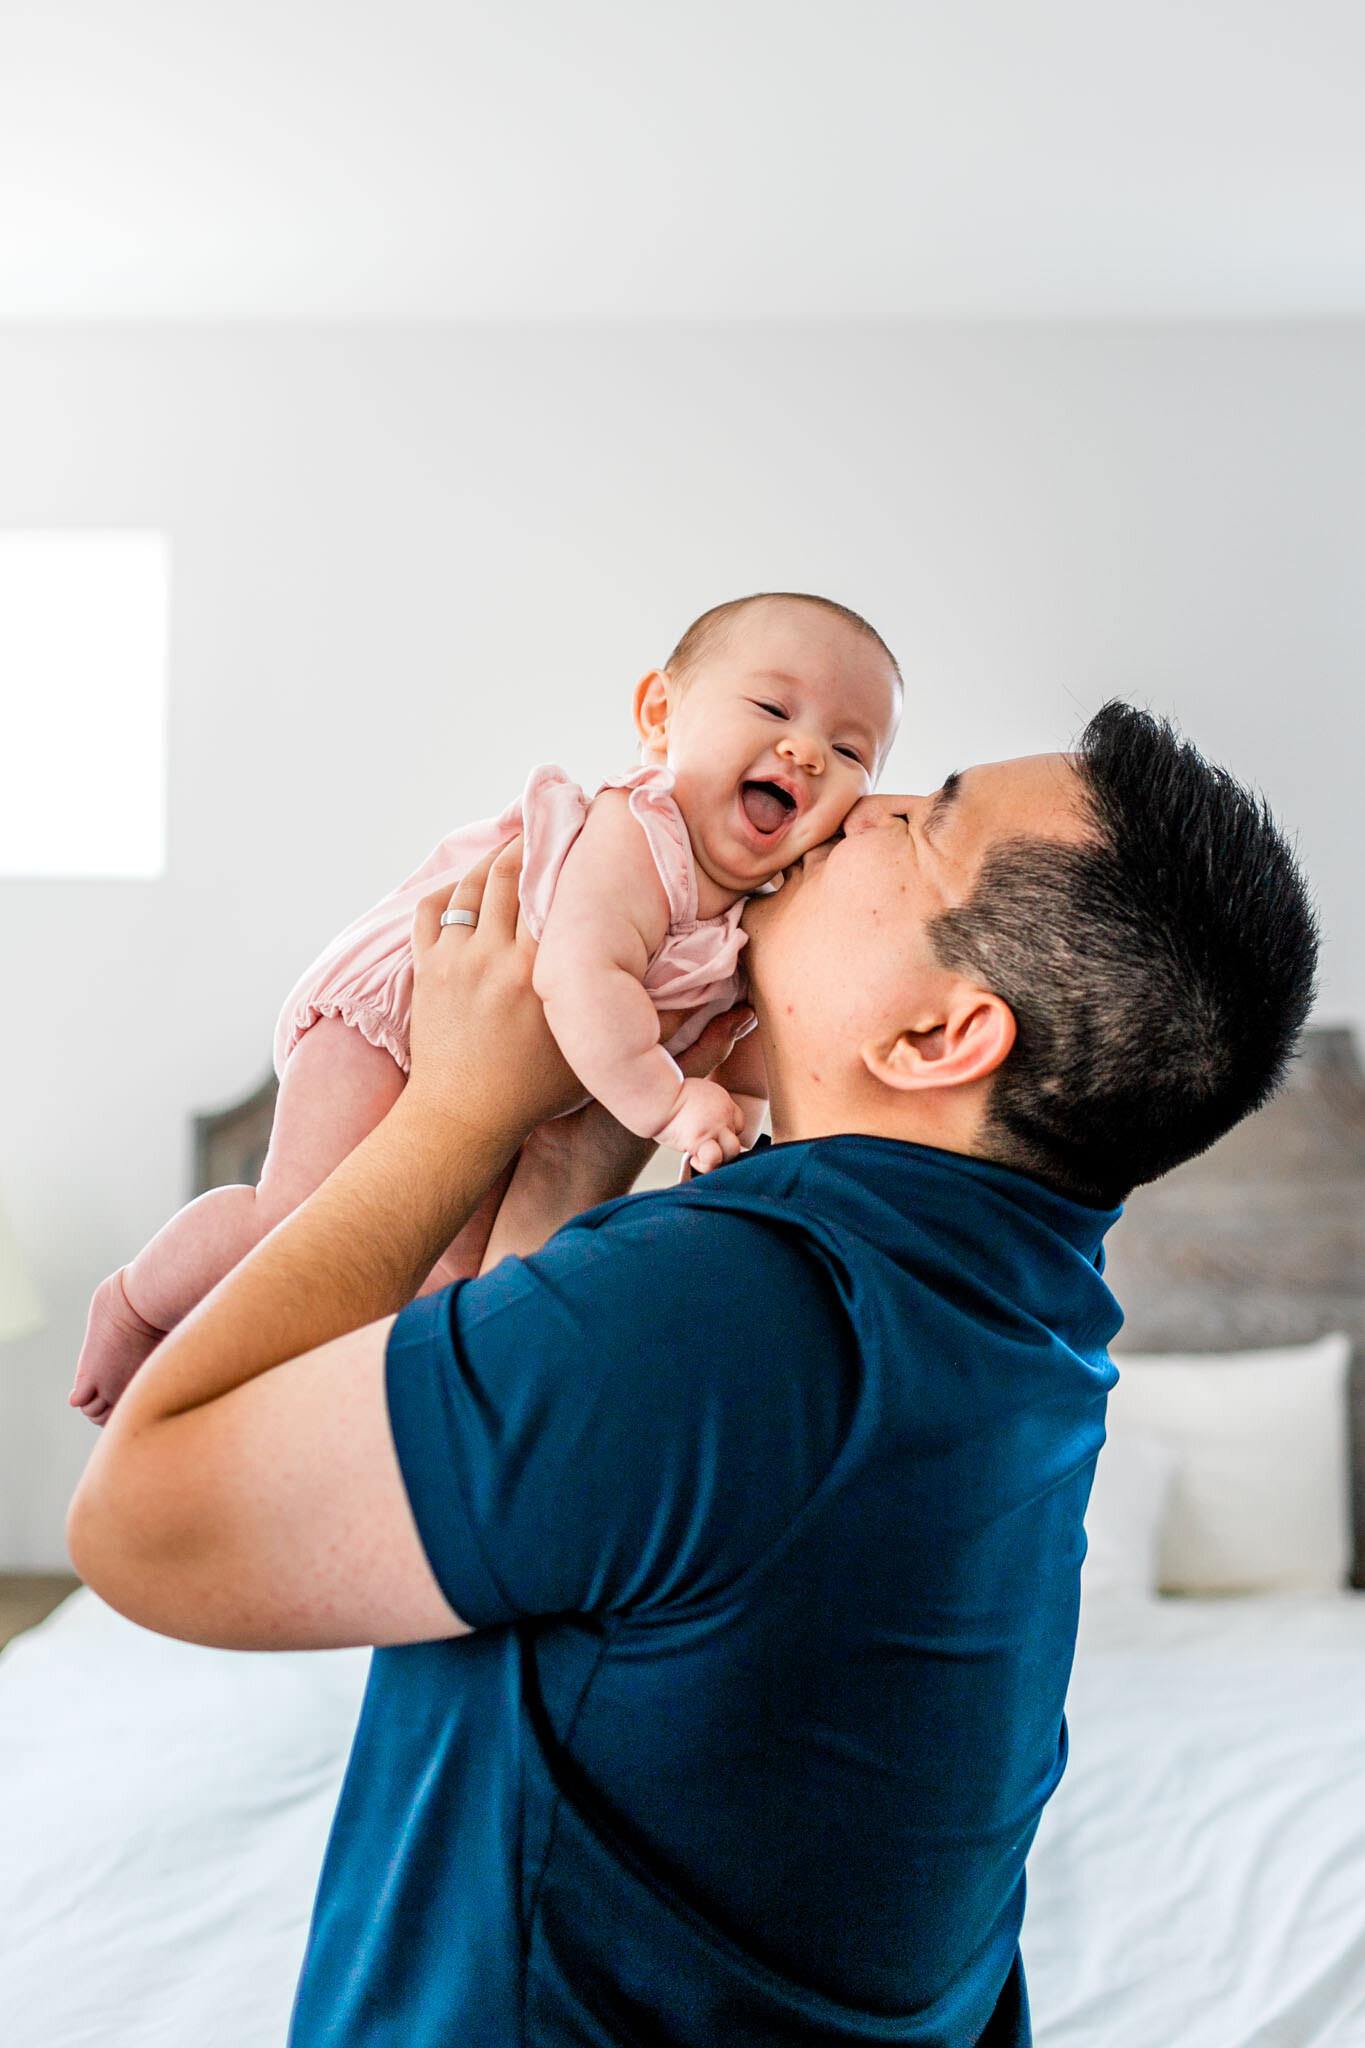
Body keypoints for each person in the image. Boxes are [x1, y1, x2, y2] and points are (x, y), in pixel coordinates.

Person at [67, 702, 1317, 2047]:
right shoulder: (1024, 1322)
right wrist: (574, 1151)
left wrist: (455, 1110)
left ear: (938, 1037)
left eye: (924, 825)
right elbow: (555, 1522)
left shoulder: (736, 1312)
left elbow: (143, 1525)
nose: (861, 806)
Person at [68, 591, 902, 1423]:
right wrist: (670, 1102)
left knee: (445, 1279)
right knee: (298, 1221)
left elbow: (745, 1052)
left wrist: (727, 1134)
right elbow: (581, 974)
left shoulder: (762, 910)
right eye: (770, 707)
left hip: (512, 1083)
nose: (804, 751)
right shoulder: (641, 834)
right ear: (659, 713)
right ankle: (137, 1304)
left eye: (849, 749)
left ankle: (317, 1423)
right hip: (398, 1015)